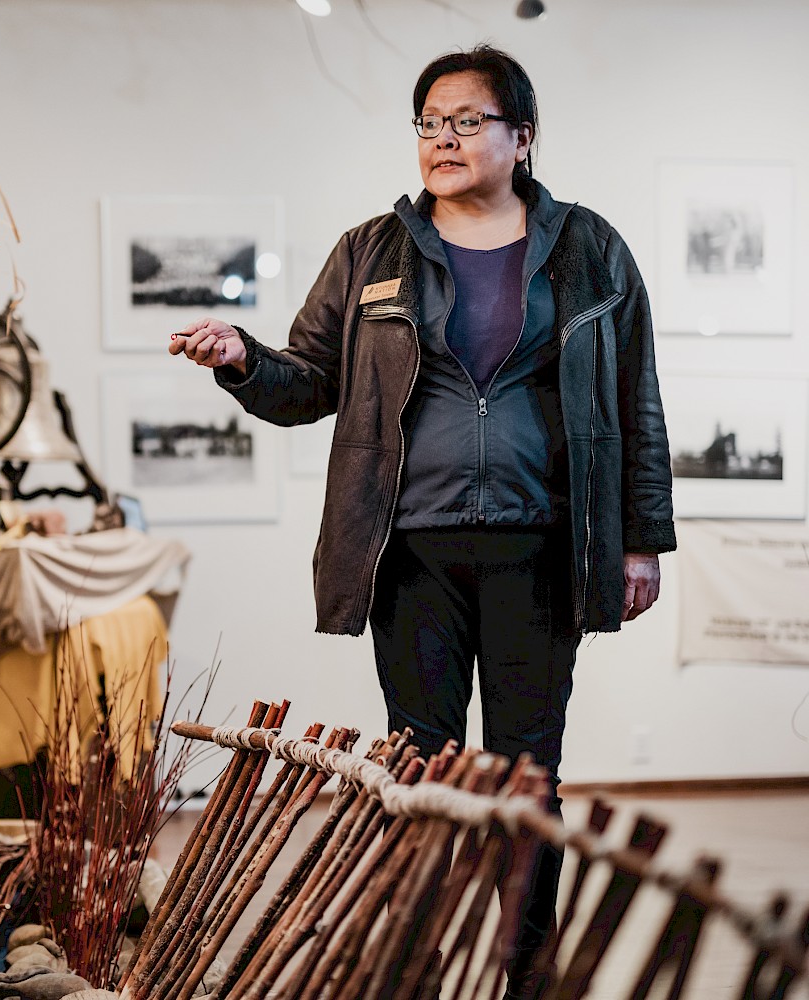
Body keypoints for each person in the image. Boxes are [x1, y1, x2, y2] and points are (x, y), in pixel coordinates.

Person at [169, 43, 676, 1000]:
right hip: (411, 553)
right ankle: (418, 964)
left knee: (528, 780)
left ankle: (526, 974)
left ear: (522, 138)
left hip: (542, 548)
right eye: (429, 124)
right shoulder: (373, 249)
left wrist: (644, 538)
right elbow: (307, 383)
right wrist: (242, 357)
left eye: (467, 121)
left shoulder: (591, 248)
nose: (443, 140)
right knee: (422, 771)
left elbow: (634, 398)